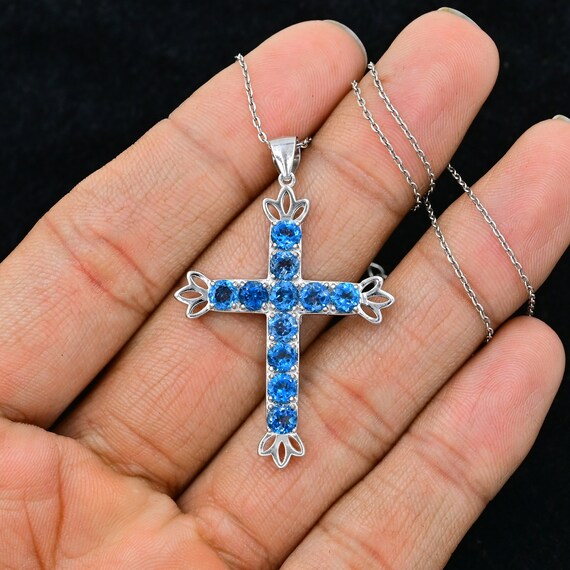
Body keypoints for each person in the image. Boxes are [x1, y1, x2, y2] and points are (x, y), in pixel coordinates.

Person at [0, 9, 567, 569]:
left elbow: (322, 296)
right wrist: (217, 294)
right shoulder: (275, 265)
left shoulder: (290, 260)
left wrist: (354, 298)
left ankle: (282, 427)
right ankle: (281, 428)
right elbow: (234, 294)